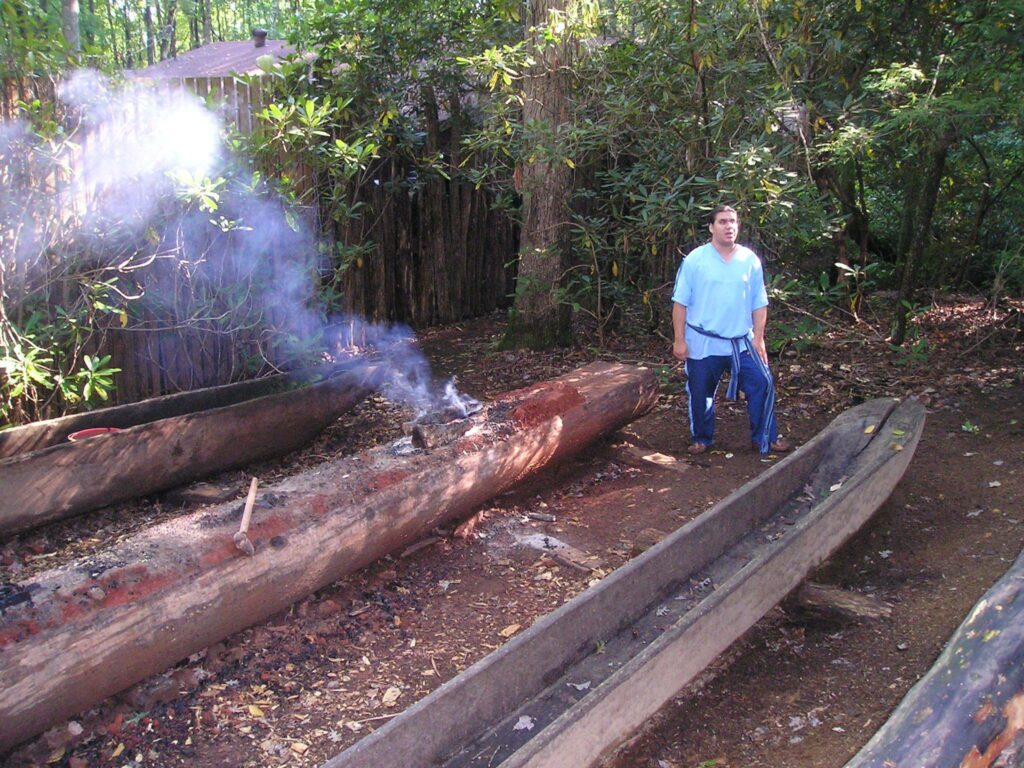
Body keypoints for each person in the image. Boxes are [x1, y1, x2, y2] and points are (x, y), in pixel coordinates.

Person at [671, 205, 790, 455]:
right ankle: (702, 438)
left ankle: (765, 436)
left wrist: (759, 338)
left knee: (762, 382)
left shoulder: (749, 260)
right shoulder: (695, 260)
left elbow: (759, 302)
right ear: (711, 227)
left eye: (733, 221)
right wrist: (679, 339)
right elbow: (680, 302)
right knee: (700, 390)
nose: (729, 226)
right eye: (723, 221)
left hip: (741, 341)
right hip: (703, 341)